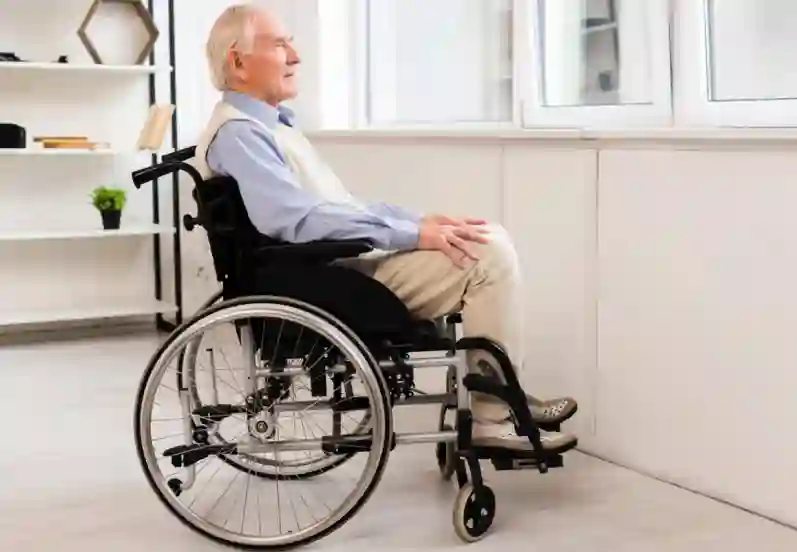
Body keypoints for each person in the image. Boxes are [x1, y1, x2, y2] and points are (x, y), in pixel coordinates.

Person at [192, 3, 578, 451]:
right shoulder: (243, 135)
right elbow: (296, 221)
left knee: (482, 234)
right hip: (327, 278)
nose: (296, 56)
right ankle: (493, 418)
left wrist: (416, 221)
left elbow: (334, 208)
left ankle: (499, 396)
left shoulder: (265, 128)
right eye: (280, 45)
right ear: (238, 62)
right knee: (486, 254)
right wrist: (412, 234)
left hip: (330, 266)